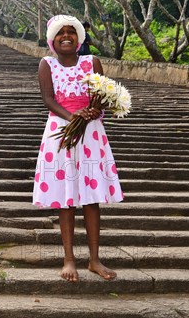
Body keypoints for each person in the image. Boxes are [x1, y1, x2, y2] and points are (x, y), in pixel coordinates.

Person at [33, 14, 123, 283]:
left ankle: (94, 259)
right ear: (52, 40)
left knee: (91, 197)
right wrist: (74, 118)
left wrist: (96, 109)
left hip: (92, 135)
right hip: (60, 133)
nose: (67, 36)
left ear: (79, 38)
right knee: (66, 197)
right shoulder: (46, 64)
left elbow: (102, 96)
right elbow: (48, 98)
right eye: (61, 33)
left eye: (72, 32)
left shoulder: (91, 62)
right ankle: (69, 259)